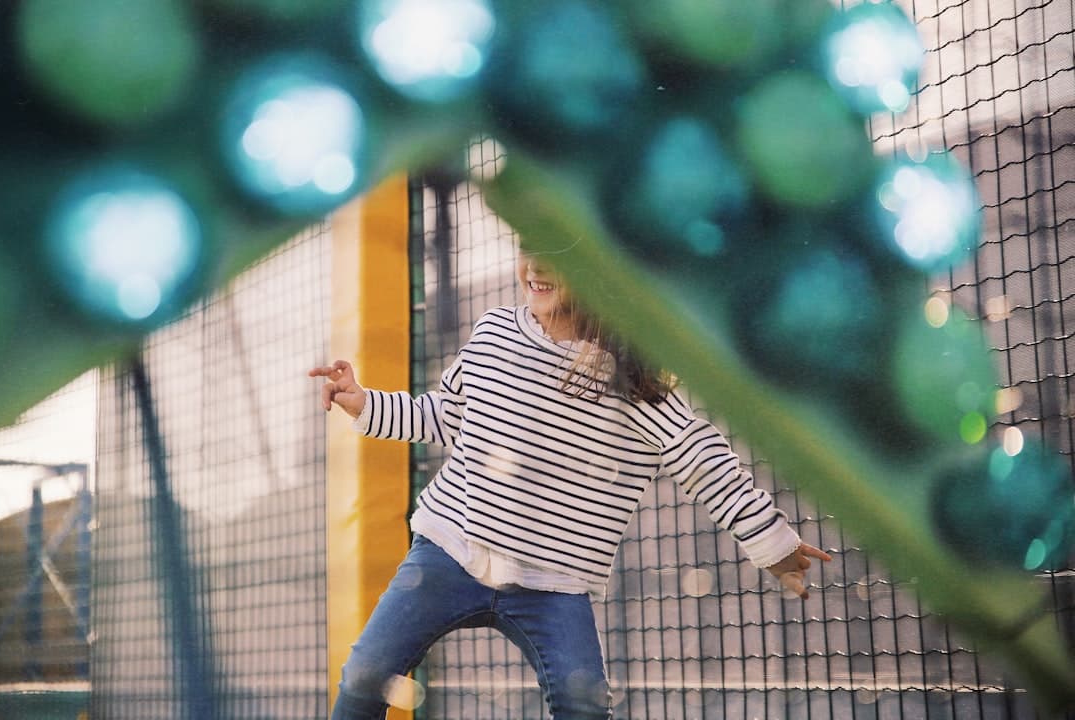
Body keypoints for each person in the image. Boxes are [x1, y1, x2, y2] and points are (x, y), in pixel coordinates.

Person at [311, 250, 831, 720]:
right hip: (448, 552)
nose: (535, 267)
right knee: (364, 675)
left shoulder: (631, 376)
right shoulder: (494, 333)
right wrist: (364, 402)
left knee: (583, 706)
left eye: (555, 255)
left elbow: (700, 458)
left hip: (553, 583)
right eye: (528, 251)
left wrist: (771, 544)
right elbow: (445, 416)